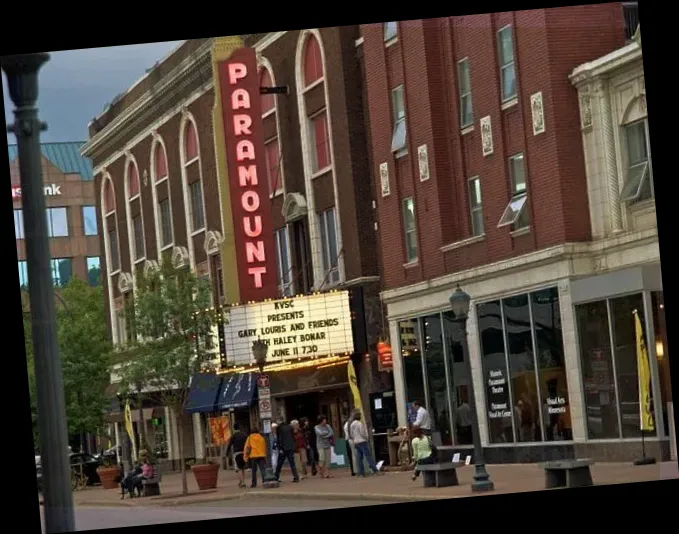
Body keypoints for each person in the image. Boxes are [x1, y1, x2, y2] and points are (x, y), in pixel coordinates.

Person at [349, 411, 381, 477]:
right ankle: (375, 470)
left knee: (359, 458)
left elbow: (351, 434)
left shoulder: (352, 424)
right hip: (362, 441)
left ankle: (361, 473)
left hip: (356, 442)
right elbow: (362, 433)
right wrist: (366, 438)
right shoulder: (360, 424)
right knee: (368, 456)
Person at [225, 423, 248, 488]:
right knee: (242, 468)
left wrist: (227, 453)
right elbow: (247, 442)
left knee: (238, 468)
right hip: (243, 452)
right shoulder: (244, 435)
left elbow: (230, 444)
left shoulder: (234, 435)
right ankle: (242, 481)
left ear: (234, 428)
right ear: (239, 428)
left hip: (237, 453)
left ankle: (242, 482)